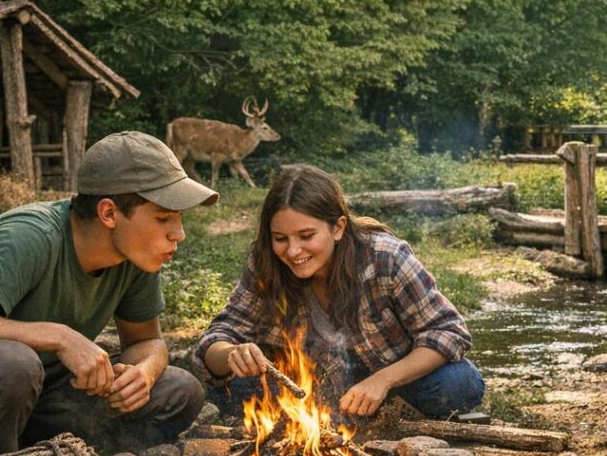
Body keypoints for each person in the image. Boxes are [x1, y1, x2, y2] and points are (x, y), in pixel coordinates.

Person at [0, 131, 217, 456]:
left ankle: (37, 455)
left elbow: (147, 342)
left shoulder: (136, 255)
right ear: (109, 213)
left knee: (179, 389)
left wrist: (142, 375)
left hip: (36, 398)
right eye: (163, 218)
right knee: (12, 363)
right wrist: (58, 336)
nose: (179, 234)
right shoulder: (29, 236)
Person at [194, 165, 485, 421]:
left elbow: (448, 333)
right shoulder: (266, 263)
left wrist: (382, 381)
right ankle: (334, 413)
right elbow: (214, 340)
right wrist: (232, 353)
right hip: (311, 383)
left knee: (457, 383)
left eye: (306, 236)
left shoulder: (385, 257)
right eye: (280, 238)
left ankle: (375, 409)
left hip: (390, 377)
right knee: (232, 388)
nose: (293, 251)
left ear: (338, 228)